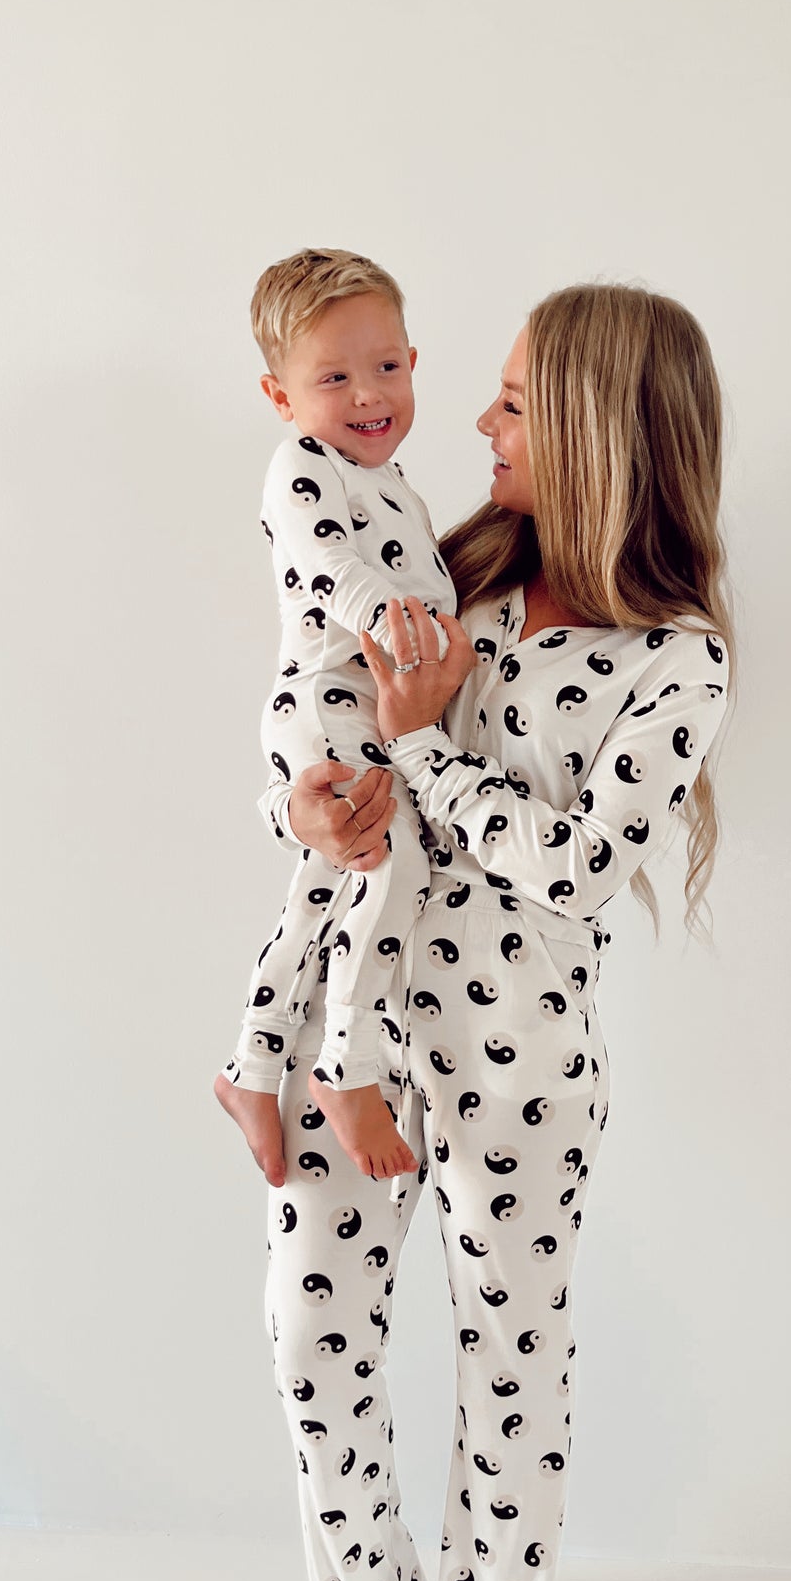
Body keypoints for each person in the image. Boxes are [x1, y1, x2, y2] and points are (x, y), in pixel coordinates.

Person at [253, 281, 737, 1581]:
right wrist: (310, 798)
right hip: (360, 1030)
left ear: (599, 430)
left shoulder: (678, 662)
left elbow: (578, 863)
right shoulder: (442, 569)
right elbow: (318, 728)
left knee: (506, 1362)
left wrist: (418, 748)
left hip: (518, 1068)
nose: (474, 420)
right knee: (309, 1327)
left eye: (515, 402)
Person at [214, 248, 457, 1185]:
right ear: (281, 397)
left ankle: (251, 1062)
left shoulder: (398, 487)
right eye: (335, 376)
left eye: (387, 366)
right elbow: (325, 564)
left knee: (326, 890)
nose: (370, 394)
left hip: (363, 701)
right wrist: (392, 626)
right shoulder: (302, 463)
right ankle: (345, 1068)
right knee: (394, 859)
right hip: (326, 698)